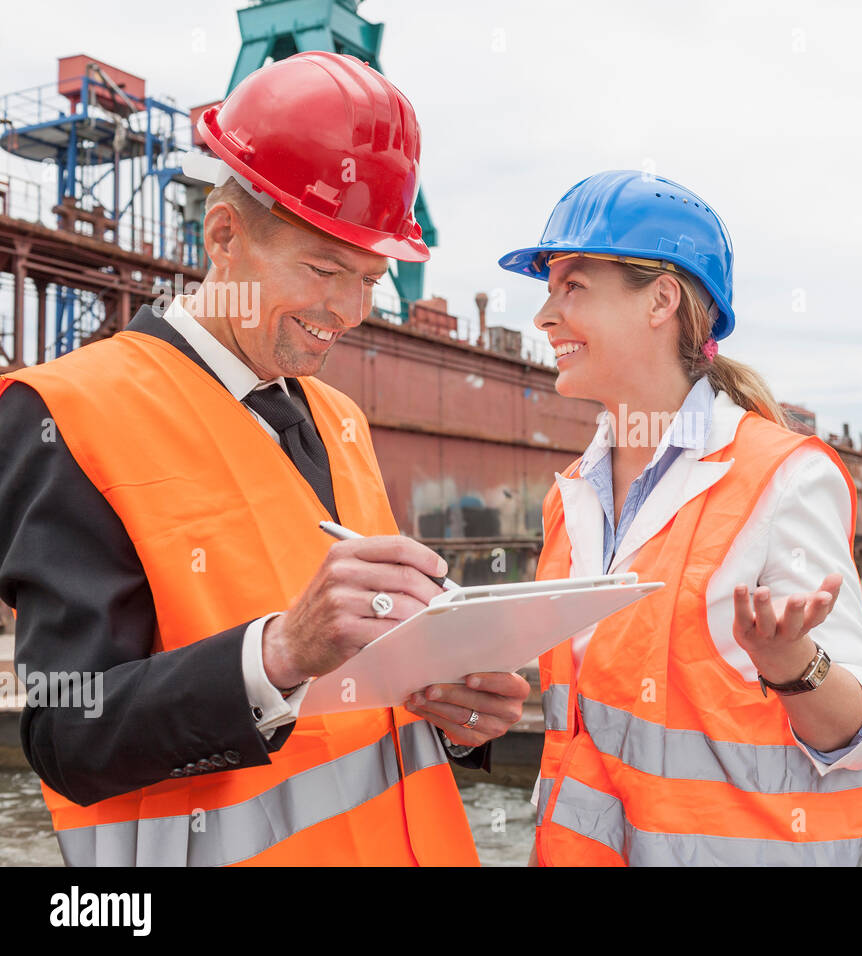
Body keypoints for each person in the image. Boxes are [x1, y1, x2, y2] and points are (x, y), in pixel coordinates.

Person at [0, 52, 528, 866]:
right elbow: (68, 736)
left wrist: (451, 714)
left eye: (370, 280)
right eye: (324, 270)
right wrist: (277, 653)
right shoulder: (70, 412)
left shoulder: (339, 420)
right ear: (223, 234)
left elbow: (367, 692)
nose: (350, 312)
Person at [496, 170, 862, 866]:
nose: (544, 316)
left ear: (662, 299)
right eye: (548, 290)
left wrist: (791, 663)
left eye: (573, 287)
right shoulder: (571, 498)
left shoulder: (780, 477)